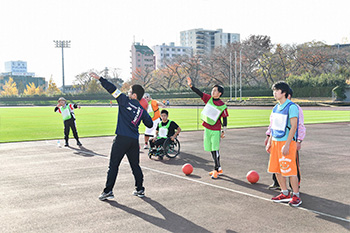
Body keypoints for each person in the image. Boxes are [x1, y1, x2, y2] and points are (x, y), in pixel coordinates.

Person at [89, 72, 153, 201]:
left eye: (130, 91)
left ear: (134, 95)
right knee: (135, 165)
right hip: (133, 141)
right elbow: (150, 123)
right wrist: (141, 113)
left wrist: (100, 78)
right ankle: (140, 189)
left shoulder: (124, 100)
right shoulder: (141, 110)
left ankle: (108, 191)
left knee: (113, 165)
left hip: (121, 139)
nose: (128, 93)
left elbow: (112, 88)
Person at [265, 81, 302, 207]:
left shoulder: (291, 107)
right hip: (275, 142)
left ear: (284, 93)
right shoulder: (276, 107)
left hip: (286, 143)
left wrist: (287, 144)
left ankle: (296, 195)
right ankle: (285, 192)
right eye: (274, 91)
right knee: (276, 169)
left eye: (277, 90)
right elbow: (273, 126)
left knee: (290, 170)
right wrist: (269, 142)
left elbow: (294, 126)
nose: (274, 93)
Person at [187, 77, 228, 179]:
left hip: (216, 130)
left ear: (220, 93)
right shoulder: (208, 99)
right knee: (210, 149)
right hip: (207, 128)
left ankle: (216, 168)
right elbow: (199, 93)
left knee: (215, 149)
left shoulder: (222, 106)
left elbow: (225, 120)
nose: (213, 92)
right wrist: (191, 86)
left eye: (215, 90)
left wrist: (224, 131)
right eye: (212, 90)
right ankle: (218, 168)